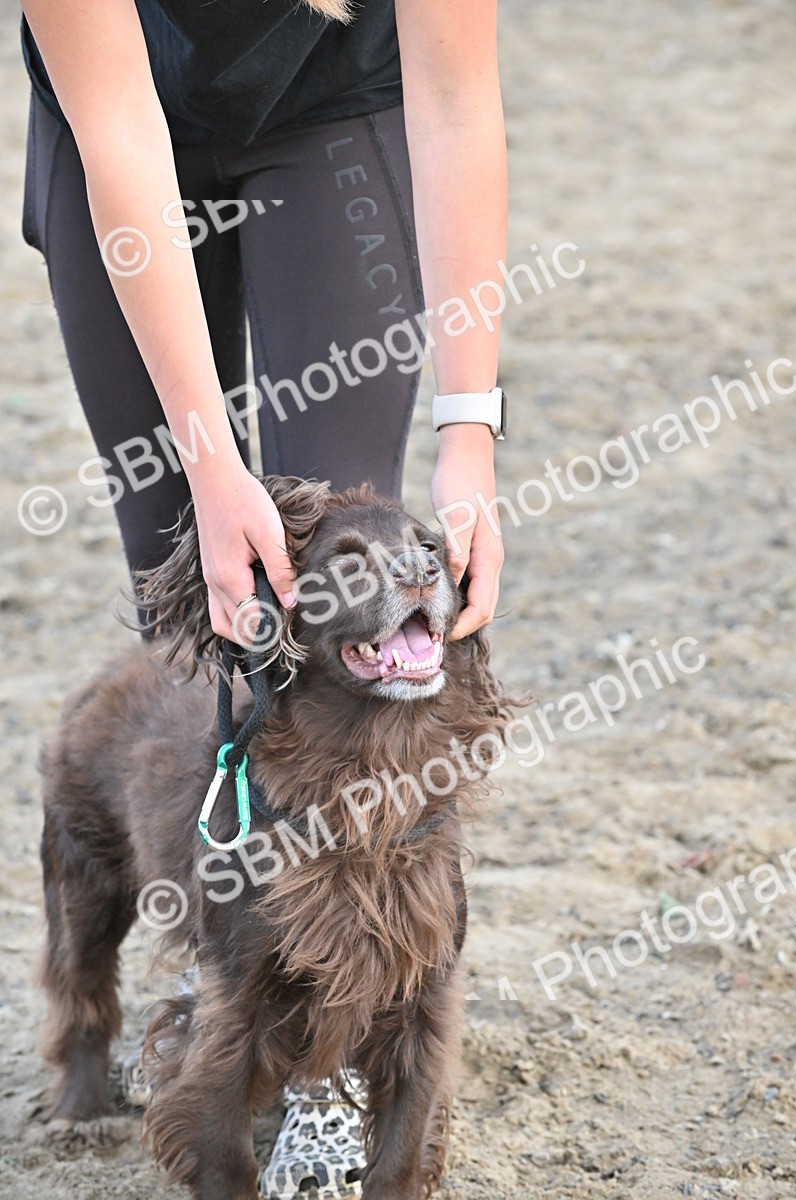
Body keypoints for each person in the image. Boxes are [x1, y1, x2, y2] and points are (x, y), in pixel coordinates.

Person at [19, 0, 508, 1195]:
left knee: (342, 587)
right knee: (208, 602)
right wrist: (207, 460)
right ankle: (237, 972)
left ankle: (348, 1038)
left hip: (331, 127)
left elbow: (454, 106)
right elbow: (119, 125)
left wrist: (469, 435)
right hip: (124, 134)